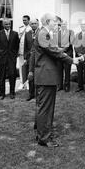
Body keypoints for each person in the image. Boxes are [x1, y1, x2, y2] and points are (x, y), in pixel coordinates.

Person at [33, 12, 77, 147]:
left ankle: (41, 133)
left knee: (43, 107)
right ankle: (44, 138)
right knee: (46, 108)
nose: (56, 23)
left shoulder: (44, 33)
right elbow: (54, 51)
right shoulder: (43, 34)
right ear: (47, 22)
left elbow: (55, 49)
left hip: (46, 76)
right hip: (46, 76)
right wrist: (72, 60)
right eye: (54, 21)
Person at [0, 19, 19, 99]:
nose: (8, 25)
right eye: (6, 24)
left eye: (9, 24)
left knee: (12, 75)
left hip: (11, 58)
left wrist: (14, 55)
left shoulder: (15, 34)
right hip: (2, 58)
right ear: (3, 25)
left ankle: (12, 93)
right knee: (2, 76)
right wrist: (0, 54)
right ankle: (2, 94)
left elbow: (17, 46)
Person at [57, 21, 75, 93]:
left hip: (67, 54)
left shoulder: (71, 32)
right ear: (60, 25)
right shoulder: (57, 33)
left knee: (67, 71)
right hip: (59, 55)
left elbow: (71, 42)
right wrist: (59, 50)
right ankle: (60, 86)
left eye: (65, 24)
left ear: (67, 25)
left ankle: (67, 86)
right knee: (59, 70)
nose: (63, 25)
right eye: (62, 24)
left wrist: (63, 49)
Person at [74, 20, 85, 93]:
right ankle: (80, 86)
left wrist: (84, 55)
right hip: (79, 56)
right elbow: (75, 45)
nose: (83, 26)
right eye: (82, 25)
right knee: (79, 72)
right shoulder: (77, 35)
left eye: (84, 25)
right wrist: (78, 53)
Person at [18, 15, 32, 90]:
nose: (24, 21)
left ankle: (28, 83)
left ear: (29, 20)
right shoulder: (21, 28)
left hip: (28, 52)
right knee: (21, 67)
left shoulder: (31, 28)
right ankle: (22, 82)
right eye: (23, 20)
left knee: (28, 67)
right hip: (21, 51)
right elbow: (19, 41)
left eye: (25, 20)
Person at [27, 18, 39, 101]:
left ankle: (38, 94)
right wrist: (25, 57)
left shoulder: (41, 33)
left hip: (39, 58)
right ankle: (31, 94)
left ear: (38, 24)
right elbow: (25, 46)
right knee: (30, 76)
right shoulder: (28, 33)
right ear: (30, 25)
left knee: (38, 76)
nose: (33, 25)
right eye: (32, 23)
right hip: (30, 58)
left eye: (35, 23)